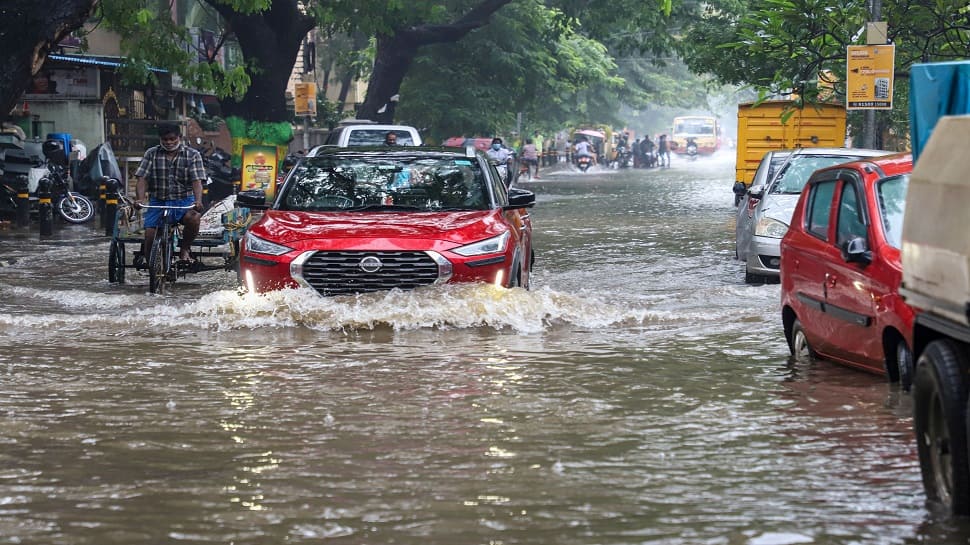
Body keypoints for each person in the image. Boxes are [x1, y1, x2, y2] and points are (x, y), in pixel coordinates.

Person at [133, 123, 206, 267]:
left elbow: (196, 181)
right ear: (160, 139)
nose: (169, 142)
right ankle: (152, 268)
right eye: (165, 139)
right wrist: (140, 199)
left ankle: (185, 249)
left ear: (179, 137)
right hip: (158, 201)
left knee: (194, 218)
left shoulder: (192, 155)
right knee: (149, 235)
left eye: (172, 139)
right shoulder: (151, 153)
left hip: (184, 201)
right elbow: (142, 178)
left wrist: (198, 201)